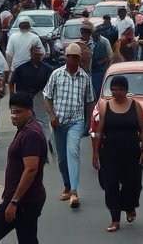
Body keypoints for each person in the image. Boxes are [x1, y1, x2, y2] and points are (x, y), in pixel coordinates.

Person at [0, 92, 48, 244]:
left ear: (30, 112)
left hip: (24, 200)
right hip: (26, 198)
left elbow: (31, 170)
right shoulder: (27, 128)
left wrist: (14, 201)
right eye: (12, 111)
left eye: (18, 112)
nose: (13, 116)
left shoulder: (30, 134)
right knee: (27, 239)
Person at [92, 75, 143, 233]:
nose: (116, 92)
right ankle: (115, 219)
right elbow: (99, 132)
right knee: (110, 186)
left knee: (133, 184)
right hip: (110, 153)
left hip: (131, 152)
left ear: (126, 90)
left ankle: (130, 206)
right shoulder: (105, 106)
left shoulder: (135, 105)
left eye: (119, 89)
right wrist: (95, 152)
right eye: (113, 89)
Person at [43, 43, 95, 210]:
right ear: (66, 57)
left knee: (73, 152)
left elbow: (89, 101)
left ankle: (74, 191)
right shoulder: (56, 75)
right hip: (59, 122)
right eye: (69, 56)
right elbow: (46, 96)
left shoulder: (85, 78)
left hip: (76, 122)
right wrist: (51, 115)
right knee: (62, 158)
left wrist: (88, 122)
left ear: (80, 59)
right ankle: (67, 184)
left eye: (75, 57)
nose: (72, 59)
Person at [9, 42, 54, 141]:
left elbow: (51, 86)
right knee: (25, 124)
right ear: (30, 53)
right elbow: (11, 82)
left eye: (39, 52)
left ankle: (45, 145)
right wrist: (13, 98)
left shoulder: (47, 69)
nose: (37, 54)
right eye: (34, 52)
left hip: (40, 100)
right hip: (24, 100)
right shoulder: (21, 68)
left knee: (44, 124)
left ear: (42, 54)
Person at [85, 22, 112, 99]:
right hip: (91, 71)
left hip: (101, 70)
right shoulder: (90, 42)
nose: (94, 34)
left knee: (98, 90)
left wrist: (101, 62)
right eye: (93, 32)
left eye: (96, 32)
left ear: (99, 33)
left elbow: (110, 56)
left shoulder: (105, 41)